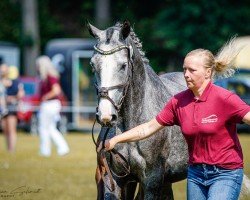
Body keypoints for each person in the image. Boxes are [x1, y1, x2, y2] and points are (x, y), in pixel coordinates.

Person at [104, 39, 250, 200]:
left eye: (192, 70)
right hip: (196, 175)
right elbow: (147, 128)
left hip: (225, 174)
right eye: (184, 69)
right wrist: (116, 139)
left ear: (208, 73)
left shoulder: (225, 98)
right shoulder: (178, 101)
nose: (186, 75)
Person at [36, 55, 70, 157]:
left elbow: (56, 90)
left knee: (43, 128)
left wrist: (45, 97)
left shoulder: (49, 77)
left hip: (49, 104)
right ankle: (63, 148)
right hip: (53, 105)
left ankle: (45, 151)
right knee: (51, 128)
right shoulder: (51, 76)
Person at [0, 64, 24, 152]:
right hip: (3, 108)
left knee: (11, 129)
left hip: (11, 108)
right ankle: (8, 148)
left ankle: (11, 149)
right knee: (5, 129)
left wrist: (12, 99)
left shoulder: (14, 82)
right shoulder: (2, 81)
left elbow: (20, 93)